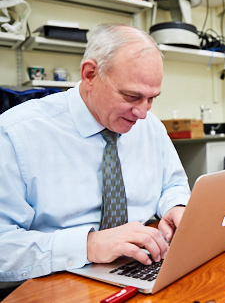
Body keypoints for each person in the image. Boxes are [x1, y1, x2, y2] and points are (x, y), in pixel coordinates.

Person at [0, 24, 191, 295]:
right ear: (90, 74)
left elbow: (172, 184)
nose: (142, 113)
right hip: (54, 283)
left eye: (151, 99)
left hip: (140, 266)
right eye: (131, 96)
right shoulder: (15, 134)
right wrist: (87, 245)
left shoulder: (151, 128)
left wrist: (176, 206)